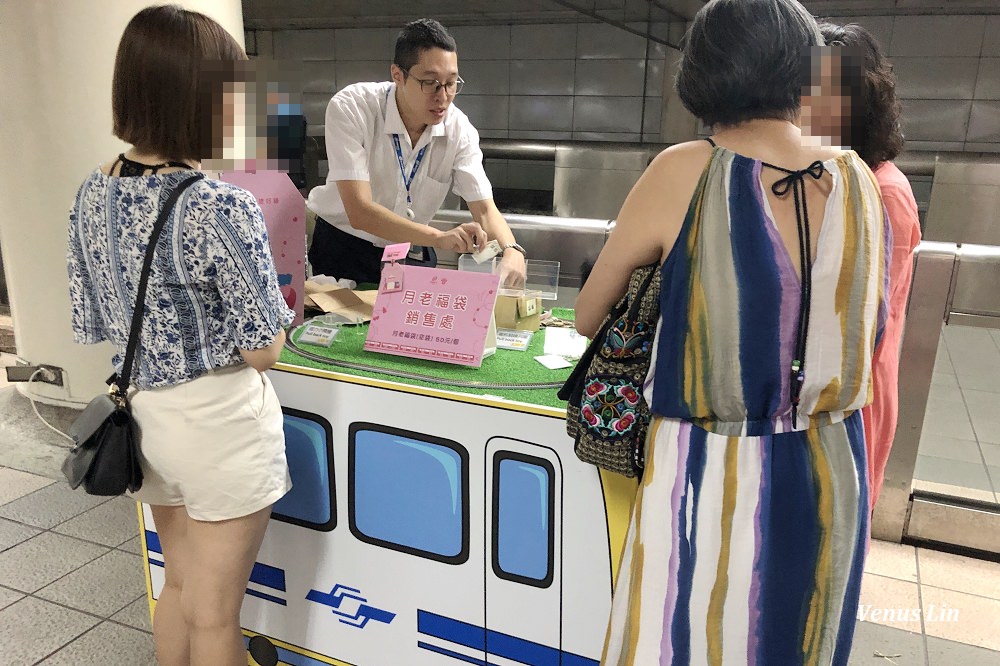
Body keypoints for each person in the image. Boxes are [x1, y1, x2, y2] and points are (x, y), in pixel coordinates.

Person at [574, 1, 890, 663]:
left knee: (682, 641)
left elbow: (587, 315)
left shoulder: (684, 169)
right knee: (797, 643)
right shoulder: (858, 177)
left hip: (712, 469)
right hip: (834, 466)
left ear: (704, 70)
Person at [66, 6, 293, 665]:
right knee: (219, 619)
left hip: (144, 421)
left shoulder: (91, 191)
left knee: (180, 587)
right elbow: (263, 351)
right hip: (218, 424)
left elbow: (92, 319)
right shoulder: (217, 202)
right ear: (197, 98)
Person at [306, 18, 526, 286]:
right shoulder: (354, 107)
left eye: (452, 83)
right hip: (345, 248)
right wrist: (438, 237)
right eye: (430, 83)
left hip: (409, 252)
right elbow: (359, 211)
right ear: (398, 75)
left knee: (412, 327)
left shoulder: (459, 129)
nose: (443, 96)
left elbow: (484, 209)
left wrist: (512, 250)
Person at [809, 22, 921, 511]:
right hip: (824, 386)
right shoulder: (830, 174)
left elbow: (861, 320)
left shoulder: (884, 190)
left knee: (837, 527)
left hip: (857, 398)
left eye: (823, 93)